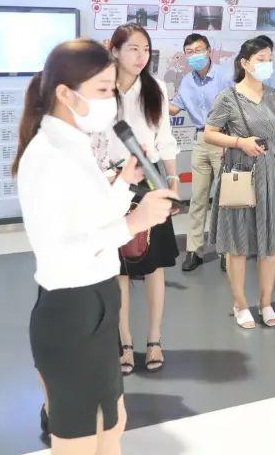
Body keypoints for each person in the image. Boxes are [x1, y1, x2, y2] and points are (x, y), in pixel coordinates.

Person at [14, 39, 175, 455]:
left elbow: (93, 215)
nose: (111, 100)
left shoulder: (75, 144)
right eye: (103, 90)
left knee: (113, 423)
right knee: (80, 438)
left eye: (112, 90)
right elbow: (60, 250)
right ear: (66, 94)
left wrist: (124, 185)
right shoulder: (47, 155)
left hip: (99, 300)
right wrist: (133, 224)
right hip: (70, 308)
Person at [203, 39, 275, 329]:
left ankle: (266, 302)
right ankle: (240, 303)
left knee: (270, 242)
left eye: (269, 58)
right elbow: (209, 133)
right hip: (240, 173)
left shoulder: (274, 96)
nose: (267, 64)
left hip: (271, 172)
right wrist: (238, 142)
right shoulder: (228, 97)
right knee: (238, 243)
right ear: (244, 63)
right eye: (260, 58)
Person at [104, 25, 181, 375]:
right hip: (111, 182)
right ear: (115, 50)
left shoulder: (156, 88)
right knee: (119, 266)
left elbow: (164, 138)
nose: (140, 56)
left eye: (146, 49)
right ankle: (124, 341)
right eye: (133, 48)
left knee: (154, 264)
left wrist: (172, 180)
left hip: (150, 179)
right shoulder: (101, 87)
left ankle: (154, 339)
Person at [168, 34, 231, 272]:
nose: (194, 55)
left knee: (225, 199)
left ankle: (226, 251)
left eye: (198, 50)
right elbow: (174, 108)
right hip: (200, 140)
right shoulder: (186, 81)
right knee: (198, 198)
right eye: (189, 52)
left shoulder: (225, 76)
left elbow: (237, 109)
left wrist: (230, 142)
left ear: (209, 51)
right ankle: (194, 251)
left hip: (223, 139)